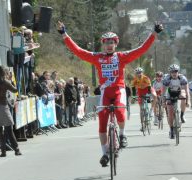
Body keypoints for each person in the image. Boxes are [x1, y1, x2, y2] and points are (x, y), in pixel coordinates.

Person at [58, 21, 163, 167]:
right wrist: (64, 34)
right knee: (102, 124)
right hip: (105, 92)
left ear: (116, 44)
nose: (109, 45)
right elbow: (78, 51)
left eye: (112, 42)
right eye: (106, 42)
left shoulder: (121, 56)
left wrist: (155, 33)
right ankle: (105, 153)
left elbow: (141, 49)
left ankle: (122, 134)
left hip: (118, 90)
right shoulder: (97, 57)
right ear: (103, 44)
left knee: (120, 113)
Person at [0, 66, 22, 157]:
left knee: (0, 131)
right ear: (5, 73)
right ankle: (16, 149)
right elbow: (15, 90)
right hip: (3, 107)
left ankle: (3, 152)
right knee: (9, 130)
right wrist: (12, 81)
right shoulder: (5, 82)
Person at [162, 64, 189, 139]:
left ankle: (182, 116)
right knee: (170, 112)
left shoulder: (182, 78)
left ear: (178, 72)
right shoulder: (166, 79)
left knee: (184, 96)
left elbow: (187, 91)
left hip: (178, 92)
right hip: (170, 94)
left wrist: (188, 101)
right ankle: (171, 130)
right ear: (170, 73)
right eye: (172, 72)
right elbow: (163, 92)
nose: (174, 73)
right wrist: (163, 102)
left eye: (176, 71)